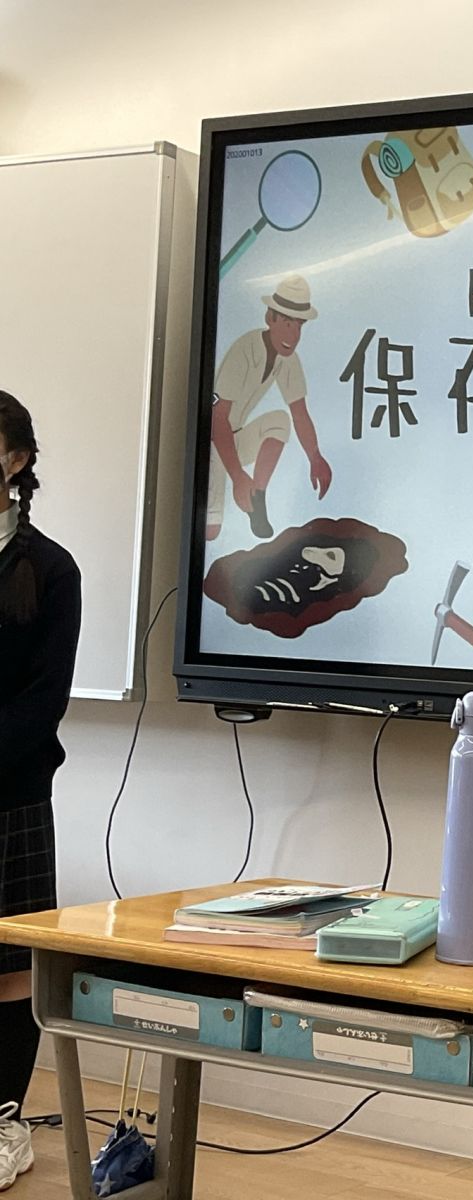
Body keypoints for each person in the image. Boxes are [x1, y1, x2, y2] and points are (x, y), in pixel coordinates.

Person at [0, 391, 82, 1189]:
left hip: (10, 794)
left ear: (16, 460)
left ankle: (3, 1120)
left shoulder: (52, 569)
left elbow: (42, 699)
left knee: (10, 966)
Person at [206, 274, 333, 542]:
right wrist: (238, 476)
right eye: (286, 323)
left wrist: (315, 457)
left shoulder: (287, 359)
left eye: (298, 325)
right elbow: (217, 419)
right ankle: (244, 491)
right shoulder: (245, 349)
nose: (293, 335)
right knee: (210, 532)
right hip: (212, 441)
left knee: (280, 420)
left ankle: (257, 498)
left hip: (235, 437)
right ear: (270, 318)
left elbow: (299, 413)